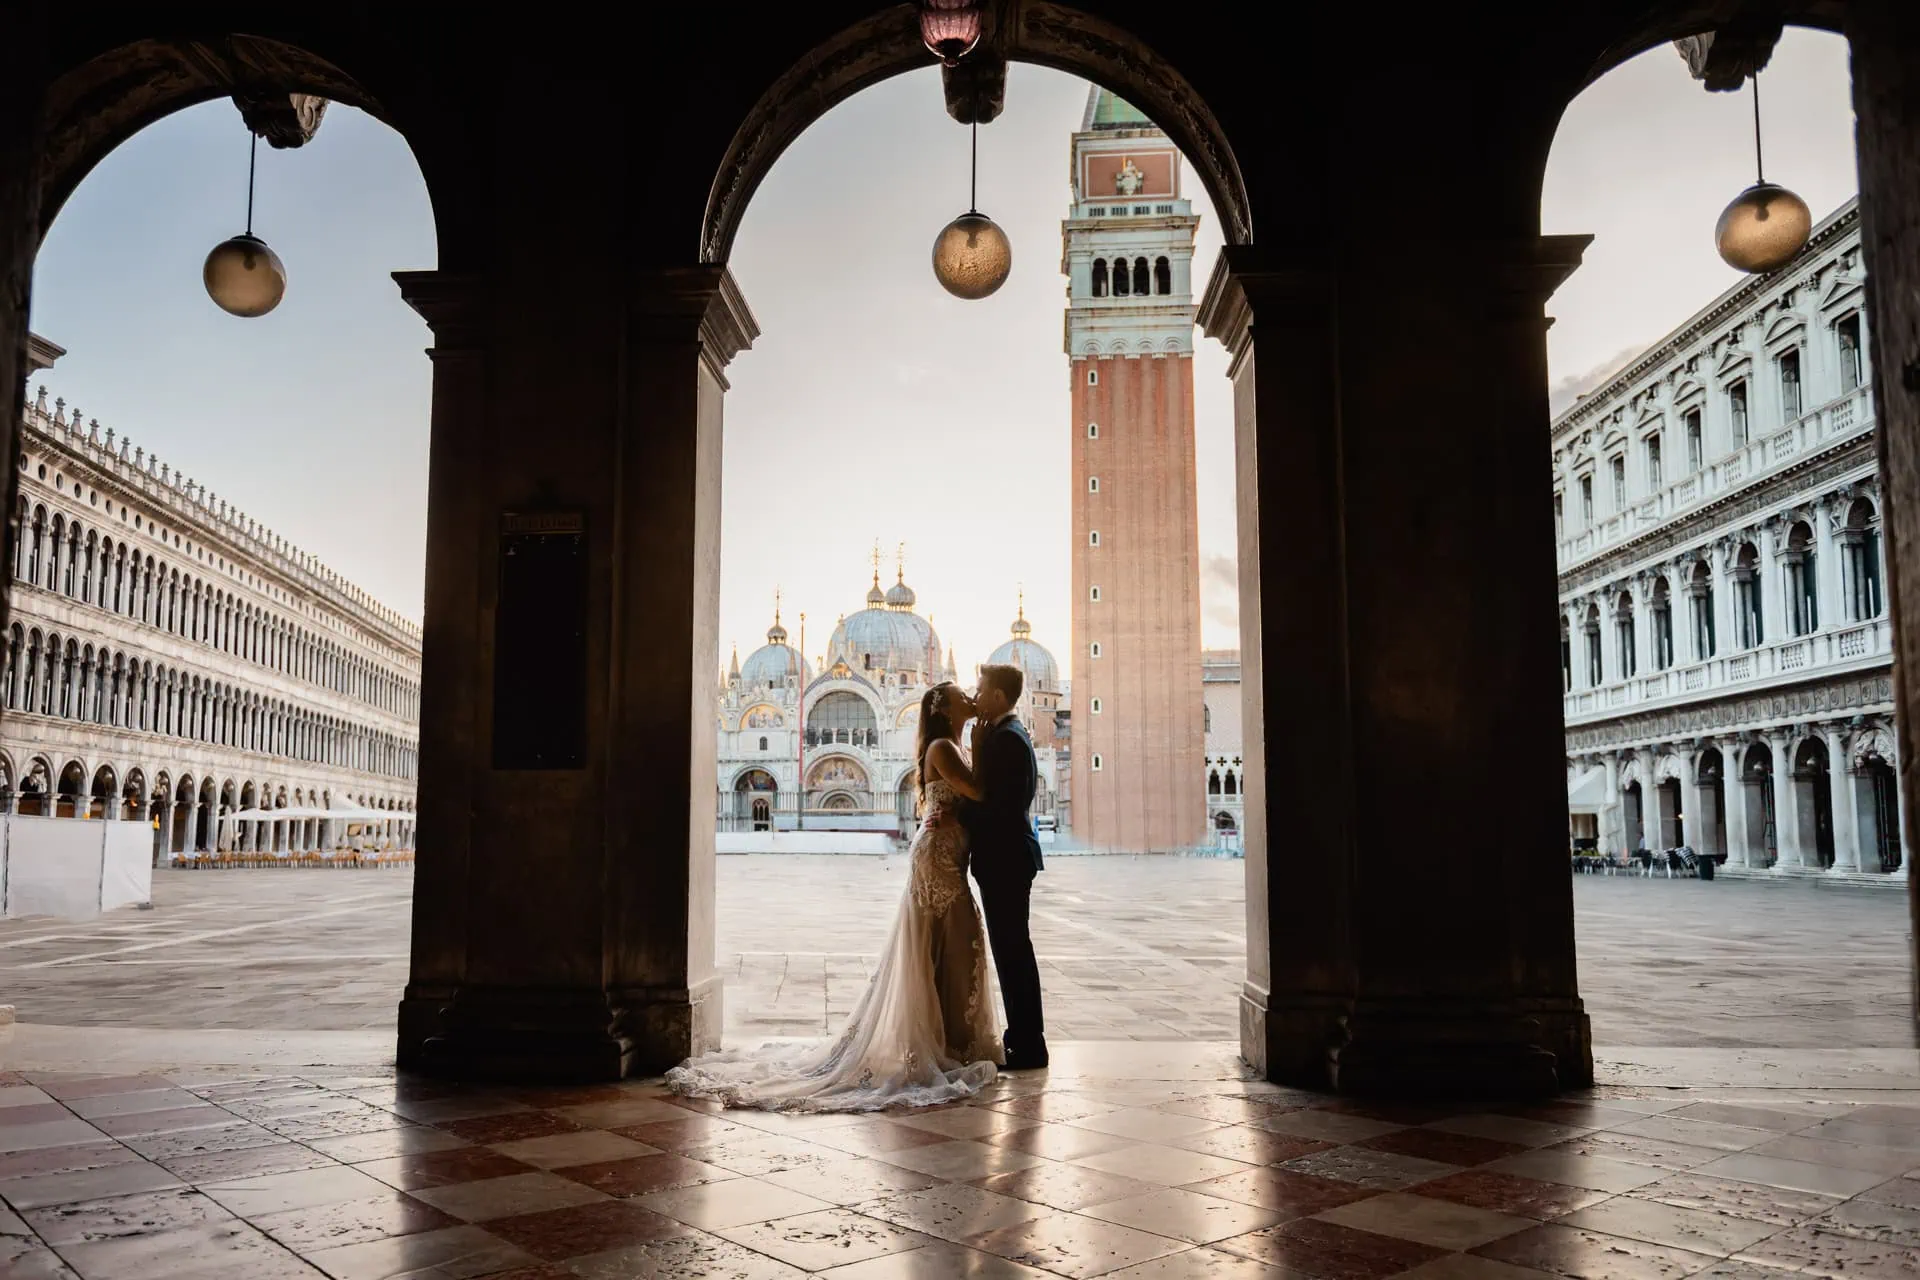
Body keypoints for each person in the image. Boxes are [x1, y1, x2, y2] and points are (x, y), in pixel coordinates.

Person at [666, 681, 1002, 1111]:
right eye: (961, 696)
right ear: (945, 708)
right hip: (937, 855)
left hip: (944, 849)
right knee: (948, 937)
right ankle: (945, 1040)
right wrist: (981, 742)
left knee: (948, 939)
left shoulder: (947, 744)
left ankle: (951, 1038)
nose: (970, 697)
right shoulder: (945, 745)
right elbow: (977, 791)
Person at [965, 663, 1048, 1070]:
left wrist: (954, 820)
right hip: (1008, 858)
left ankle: (1028, 1045)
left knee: (1013, 950)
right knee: (1013, 949)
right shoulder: (1007, 735)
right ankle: (1025, 1040)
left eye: (980, 690)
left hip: (1005, 859)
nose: (975, 696)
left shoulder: (1004, 740)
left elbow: (993, 805)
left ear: (998, 696)